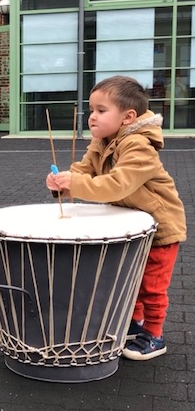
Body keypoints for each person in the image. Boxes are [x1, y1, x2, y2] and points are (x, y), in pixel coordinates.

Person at [46, 75, 187, 361]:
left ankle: (155, 335)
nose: (92, 118)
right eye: (91, 110)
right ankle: (134, 325)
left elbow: (117, 184)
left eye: (101, 110)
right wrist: (62, 183)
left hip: (161, 229)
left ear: (128, 117)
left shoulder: (139, 146)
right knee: (130, 280)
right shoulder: (101, 142)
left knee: (151, 287)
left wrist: (75, 183)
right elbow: (84, 170)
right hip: (132, 226)